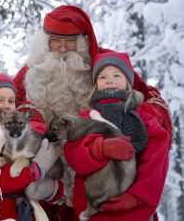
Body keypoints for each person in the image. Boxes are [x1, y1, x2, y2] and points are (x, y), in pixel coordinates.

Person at [13, 4, 172, 220]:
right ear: (44, 42)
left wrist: (135, 116)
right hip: (48, 177)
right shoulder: (29, 73)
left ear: (81, 42)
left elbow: (149, 96)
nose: (61, 48)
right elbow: (2, 106)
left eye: (69, 41)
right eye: (55, 41)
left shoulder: (103, 64)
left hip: (103, 174)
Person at [64, 51, 170, 220]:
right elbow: (73, 152)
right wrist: (99, 148)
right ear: (95, 84)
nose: (109, 80)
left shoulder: (144, 117)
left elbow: (156, 156)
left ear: (128, 82)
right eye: (102, 77)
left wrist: (138, 195)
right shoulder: (86, 116)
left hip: (134, 207)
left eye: (116, 75)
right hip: (94, 203)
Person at [0, 73, 60, 220]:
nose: (6, 105)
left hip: (27, 209)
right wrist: (30, 172)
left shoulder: (17, 131)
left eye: (11, 101)